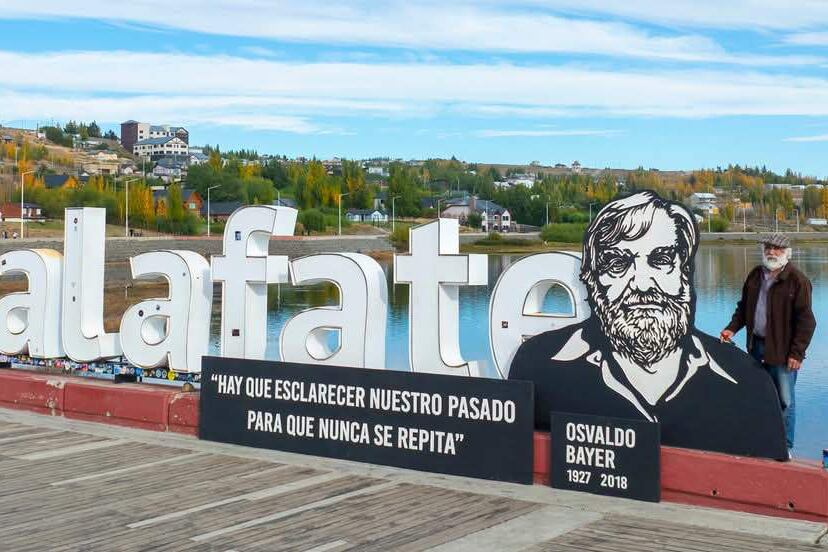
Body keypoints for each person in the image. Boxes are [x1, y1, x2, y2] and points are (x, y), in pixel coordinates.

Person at [509, 191, 788, 459]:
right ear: (592, 281)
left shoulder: (748, 386)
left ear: (685, 272)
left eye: (661, 260)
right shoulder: (535, 365)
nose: (642, 284)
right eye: (618, 264)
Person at [721, 233, 815, 457]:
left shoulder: (797, 281)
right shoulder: (755, 275)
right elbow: (743, 308)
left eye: (777, 249)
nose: (772, 252)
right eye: (768, 248)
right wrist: (731, 328)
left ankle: (785, 448)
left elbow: (807, 321)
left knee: (785, 401)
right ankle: (759, 442)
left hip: (783, 353)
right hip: (756, 348)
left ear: (787, 253)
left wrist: (797, 354)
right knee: (757, 396)